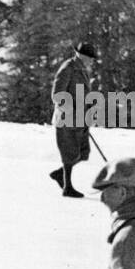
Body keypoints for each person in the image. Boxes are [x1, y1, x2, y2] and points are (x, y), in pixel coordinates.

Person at [49, 41, 98, 198]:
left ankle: (60, 174)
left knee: (83, 153)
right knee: (70, 153)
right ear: (82, 56)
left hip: (80, 118)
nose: (92, 61)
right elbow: (57, 94)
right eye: (90, 58)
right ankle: (67, 187)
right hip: (67, 118)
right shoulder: (68, 67)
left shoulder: (82, 69)